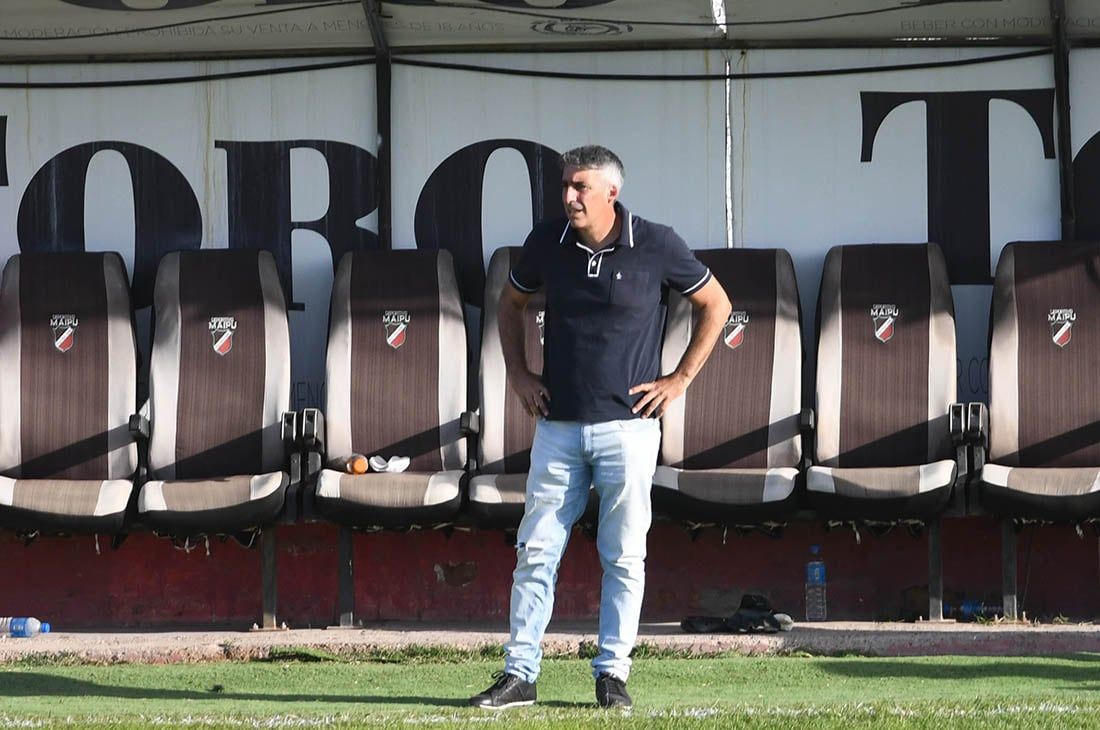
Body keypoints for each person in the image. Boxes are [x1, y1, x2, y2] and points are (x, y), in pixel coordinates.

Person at [469, 145, 731, 711]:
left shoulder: (656, 243)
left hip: (629, 429)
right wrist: (518, 373)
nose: (568, 197)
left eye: (580, 187)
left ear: (612, 192)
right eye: (565, 186)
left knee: (623, 556)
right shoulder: (547, 242)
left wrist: (680, 378)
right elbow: (509, 303)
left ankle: (612, 675)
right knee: (536, 552)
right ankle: (520, 675)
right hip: (558, 428)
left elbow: (717, 303)